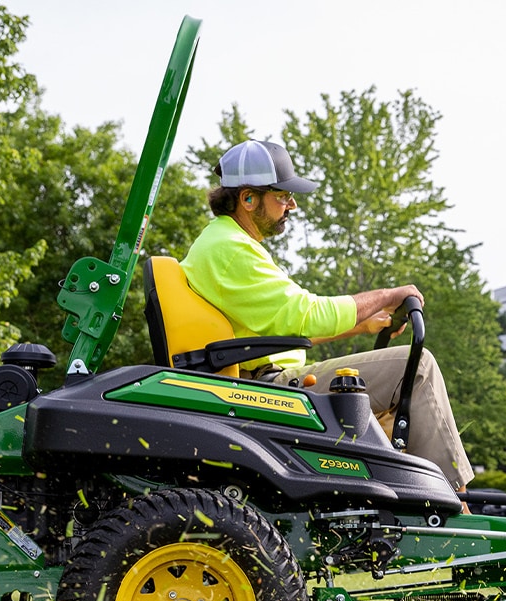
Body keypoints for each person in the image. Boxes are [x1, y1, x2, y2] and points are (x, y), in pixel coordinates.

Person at [180, 139, 474, 490]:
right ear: (247, 199)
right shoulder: (232, 250)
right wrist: (386, 296)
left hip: (257, 375)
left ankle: (404, 503)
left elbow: (280, 330)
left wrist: (361, 325)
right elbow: (308, 313)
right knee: (418, 367)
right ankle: (454, 505)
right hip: (265, 386)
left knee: (394, 405)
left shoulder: (223, 243)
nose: (293, 205)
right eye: (283, 196)